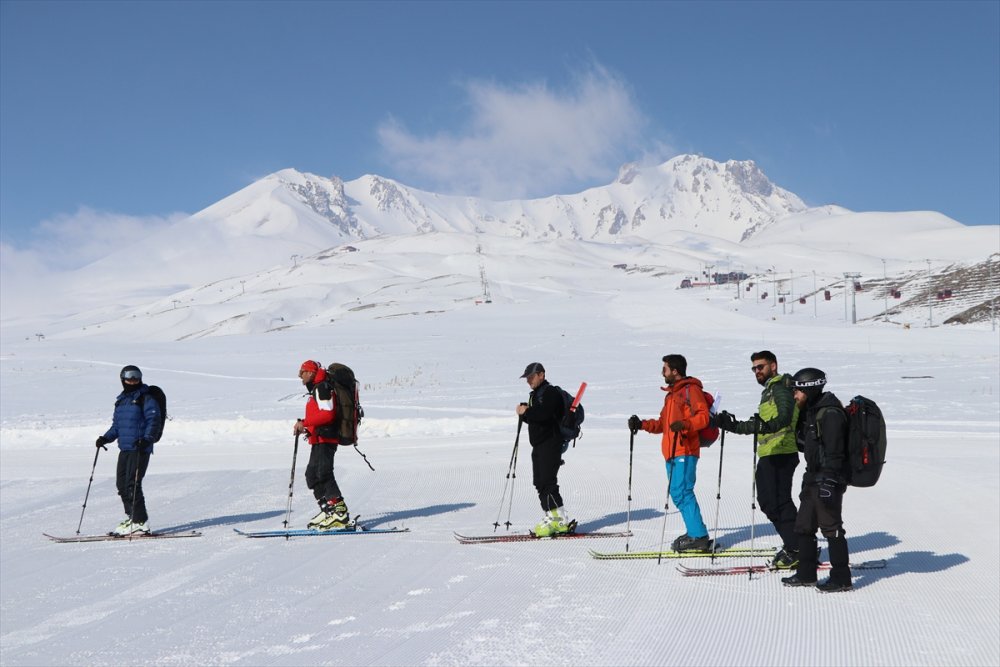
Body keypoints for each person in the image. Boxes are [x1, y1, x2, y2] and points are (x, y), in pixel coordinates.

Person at [716, 350, 800, 568]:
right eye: (754, 368)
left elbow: (784, 415)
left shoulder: (780, 388)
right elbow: (761, 424)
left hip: (781, 453)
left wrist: (768, 425)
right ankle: (797, 544)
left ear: (773, 366)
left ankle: (798, 547)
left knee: (776, 503)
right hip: (771, 453)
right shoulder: (770, 390)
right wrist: (731, 425)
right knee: (772, 502)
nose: (757, 372)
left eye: (760, 367)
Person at [628, 354, 712, 552]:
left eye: (664, 369)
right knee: (678, 493)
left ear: (675, 371)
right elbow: (662, 425)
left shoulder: (691, 390)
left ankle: (698, 536)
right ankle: (695, 532)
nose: (662, 373)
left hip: (685, 449)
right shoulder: (671, 396)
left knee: (682, 492)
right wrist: (641, 425)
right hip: (671, 452)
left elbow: (703, 418)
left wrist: (685, 424)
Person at [781, 367, 854, 593]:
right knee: (803, 526)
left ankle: (842, 578)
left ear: (809, 389)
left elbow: (835, 452)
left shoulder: (830, 413)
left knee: (831, 528)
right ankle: (806, 574)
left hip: (827, 479)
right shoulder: (812, 411)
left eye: (797, 391)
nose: (794, 395)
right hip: (813, 476)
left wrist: (830, 482)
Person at [95, 365, 162, 536]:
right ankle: (133, 518)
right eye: (129, 377)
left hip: (140, 448)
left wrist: (146, 439)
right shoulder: (122, 400)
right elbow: (117, 426)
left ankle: (140, 521)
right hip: (125, 448)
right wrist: (105, 438)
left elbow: (153, 420)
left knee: (133, 484)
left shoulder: (146, 398)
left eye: (136, 377)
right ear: (122, 379)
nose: (133, 380)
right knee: (122, 485)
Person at [516, 362, 574, 537]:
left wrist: (526, 411)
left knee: (548, 482)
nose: (529, 381)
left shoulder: (550, 392)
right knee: (540, 482)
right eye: (527, 378)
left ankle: (558, 519)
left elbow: (544, 414)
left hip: (551, 444)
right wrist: (526, 414)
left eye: (531, 377)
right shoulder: (537, 394)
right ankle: (553, 516)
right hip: (540, 445)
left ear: (541, 375)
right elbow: (538, 418)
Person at [294, 360, 351, 530]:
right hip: (318, 437)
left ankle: (340, 514)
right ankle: (328, 510)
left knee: (324, 473)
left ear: (311, 372)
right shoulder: (316, 389)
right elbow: (320, 415)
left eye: (302, 372)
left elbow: (328, 414)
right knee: (312, 475)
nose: (300, 375)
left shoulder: (322, 388)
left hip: (327, 437)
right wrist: (307, 427)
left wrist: (305, 423)